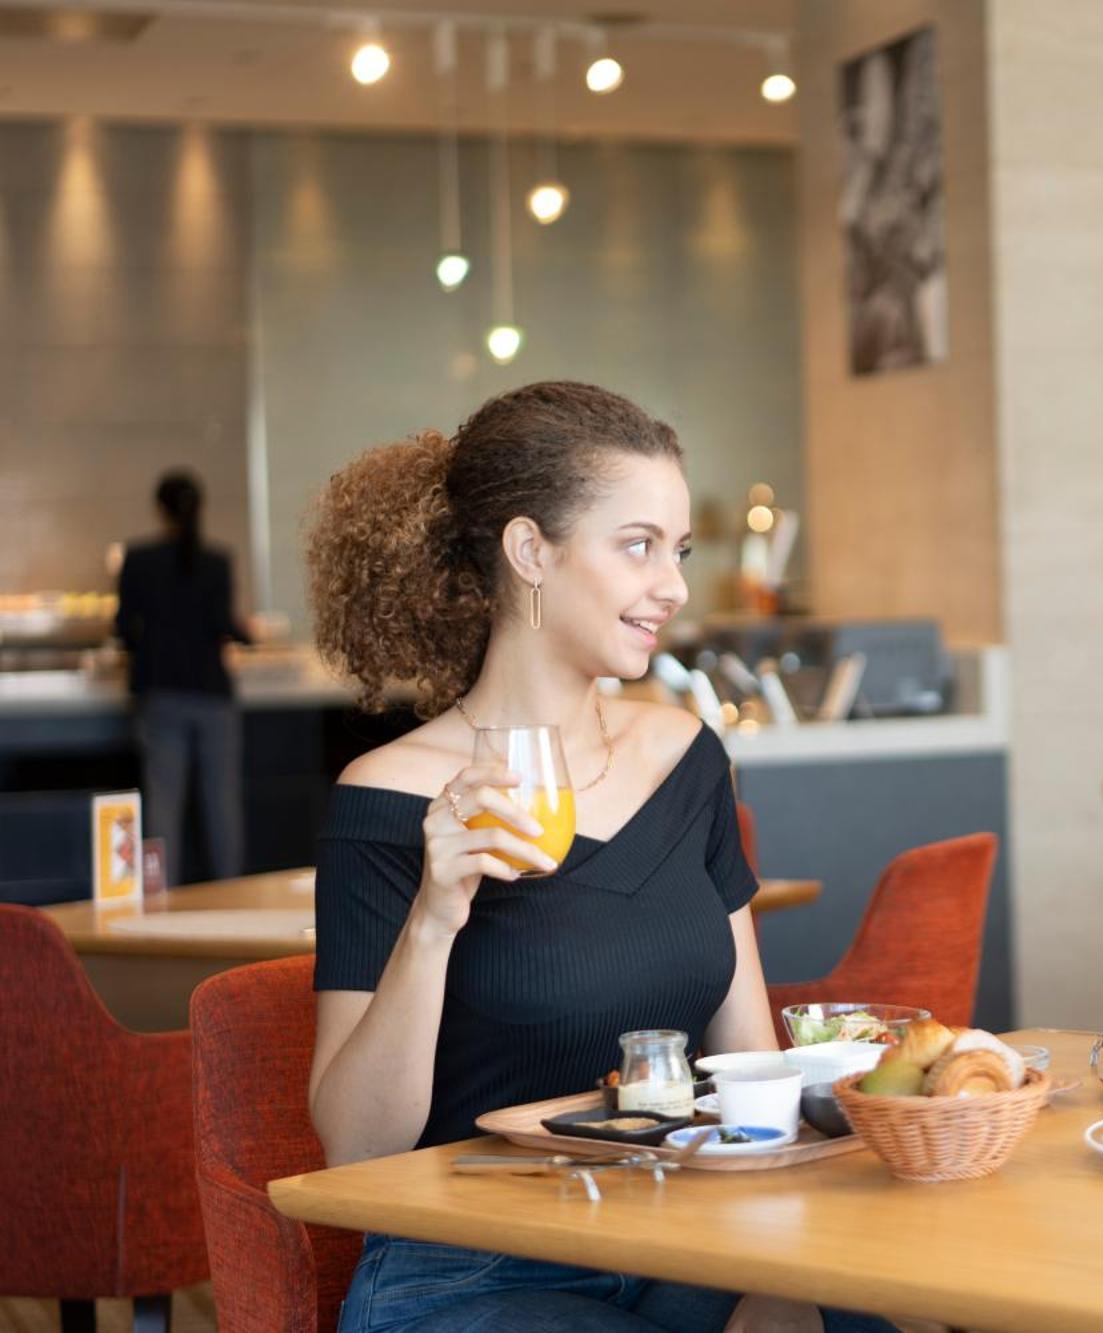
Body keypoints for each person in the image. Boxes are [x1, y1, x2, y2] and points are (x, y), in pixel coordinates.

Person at [306, 382, 893, 1333]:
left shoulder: (685, 756)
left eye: (679, 551)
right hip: (476, 1272)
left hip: (685, 1239)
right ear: (532, 551)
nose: (674, 586)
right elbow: (355, 1147)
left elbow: (748, 1060)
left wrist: (783, 1270)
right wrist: (435, 917)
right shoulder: (391, 795)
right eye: (638, 546)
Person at [115, 469, 250, 885]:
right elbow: (223, 625)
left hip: (162, 693)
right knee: (221, 804)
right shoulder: (217, 562)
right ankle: (231, 892)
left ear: (160, 509)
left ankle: (159, 897)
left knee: (163, 805)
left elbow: (122, 628)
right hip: (212, 693)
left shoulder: (137, 561)